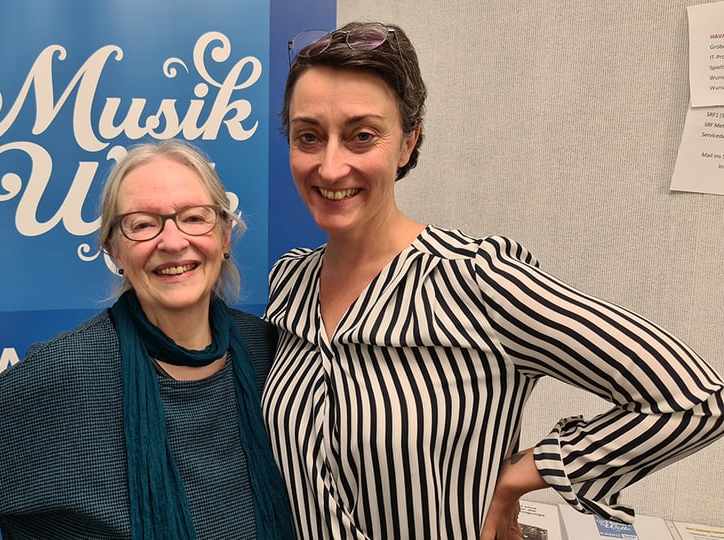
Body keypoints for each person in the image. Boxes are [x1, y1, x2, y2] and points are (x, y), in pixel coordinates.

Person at [262, 20, 724, 540]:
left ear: (407, 144)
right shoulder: (290, 283)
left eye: (361, 136)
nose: (329, 165)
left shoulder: (476, 281)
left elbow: (695, 399)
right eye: (309, 137)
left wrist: (519, 478)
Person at [0, 140, 295, 539]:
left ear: (223, 236)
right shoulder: (66, 372)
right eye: (142, 225)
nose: (172, 241)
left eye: (194, 217)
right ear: (115, 252)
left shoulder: (271, 351)